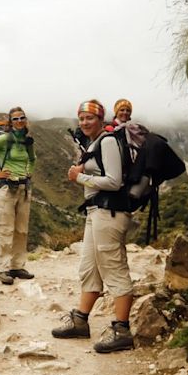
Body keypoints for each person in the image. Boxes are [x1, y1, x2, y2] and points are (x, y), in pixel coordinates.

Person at [52, 99, 135, 353]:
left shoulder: (108, 141)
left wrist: (80, 177)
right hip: (95, 211)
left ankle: (122, 330)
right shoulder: (95, 143)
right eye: (81, 118)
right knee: (89, 267)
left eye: (90, 118)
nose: (85, 122)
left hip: (109, 211)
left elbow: (114, 181)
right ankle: (80, 320)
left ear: (101, 119)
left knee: (113, 266)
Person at [0, 107, 36, 285]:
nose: (19, 121)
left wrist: (29, 173)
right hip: (6, 189)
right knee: (4, 229)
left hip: (23, 188)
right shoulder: (4, 139)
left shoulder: (27, 141)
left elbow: (33, 159)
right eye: (15, 119)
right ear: (11, 122)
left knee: (21, 229)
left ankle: (17, 266)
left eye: (22, 118)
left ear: (26, 120)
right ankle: (2, 269)